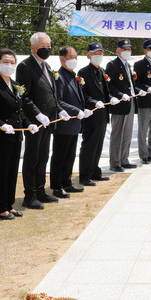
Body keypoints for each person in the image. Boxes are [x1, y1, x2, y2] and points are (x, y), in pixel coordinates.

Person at [0, 49, 38, 219]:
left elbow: (20, 111)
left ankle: (9, 204)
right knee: (0, 171)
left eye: (12, 62)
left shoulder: (15, 85)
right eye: (5, 62)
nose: (9, 65)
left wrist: (29, 124)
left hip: (15, 136)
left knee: (12, 171)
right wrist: (1, 124)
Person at [17, 32, 70, 208]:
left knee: (43, 157)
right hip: (34, 122)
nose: (47, 50)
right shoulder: (25, 66)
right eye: (43, 47)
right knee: (32, 158)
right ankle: (29, 195)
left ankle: (40, 190)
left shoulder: (46, 66)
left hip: (49, 121)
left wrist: (60, 110)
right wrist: (37, 113)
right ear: (33, 47)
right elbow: (24, 96)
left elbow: (52, 94)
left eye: (49, 47)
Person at [52, 46, 90, 194]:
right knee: (59, 156)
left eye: (76, 57)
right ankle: (57, 186)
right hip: (64, 123)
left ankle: (67, 182)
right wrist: (76, 110)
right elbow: (59, 101)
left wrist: (84, 107)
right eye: (71, 57)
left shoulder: (74, 75)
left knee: (70, 155)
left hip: (75, 124)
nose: (74, 60)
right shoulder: (59, 76)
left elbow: (79, 97)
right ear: (62, 58)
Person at [77, 42, 112, 183]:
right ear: (88, 55)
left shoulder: (102, 71)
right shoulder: (83, 72)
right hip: (91, 114)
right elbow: (82, 94)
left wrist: (111, 98)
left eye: (101, 53)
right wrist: (93, 102)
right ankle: (85, 175)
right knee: (89, 145)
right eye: (95, 53)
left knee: (98, 145)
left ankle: (95, 171)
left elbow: (105, 91)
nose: (98, 55)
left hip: (103, 114)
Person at [106, 39, 138, 172]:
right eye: (125, 49)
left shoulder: (128, 65)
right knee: (117, 134)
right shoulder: (112, 65)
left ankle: (124, 159)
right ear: (118, 51)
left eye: (129, 49)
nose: (127, 51)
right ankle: (115, 162)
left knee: (127, 133)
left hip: (130, 102)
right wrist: (119, 95)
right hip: (119, 104)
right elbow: (109, 84)